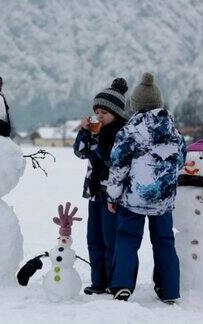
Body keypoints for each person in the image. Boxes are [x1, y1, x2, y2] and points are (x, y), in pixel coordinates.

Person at [107, 72, 186, 304]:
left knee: (127, 239)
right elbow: (180, 160)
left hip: (134, 199)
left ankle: (122, 285)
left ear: (136, 105)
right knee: (164, 242)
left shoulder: (130, 131)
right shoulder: (174, 131)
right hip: (163, 200)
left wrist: (112, 196)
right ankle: (170, 290)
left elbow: (118, 166)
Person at [73, 78, 130, 295]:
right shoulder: (95, 130)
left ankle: (113, 281)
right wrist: (84, 131)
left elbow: (109, 159)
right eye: (97, 111)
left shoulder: (122, 134)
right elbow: (80, 152)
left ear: (115, 113)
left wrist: (96, 140)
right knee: (94, 239)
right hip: (94, 193)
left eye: (104, 112)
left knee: (110, 240)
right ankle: (98, 281)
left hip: (112, 195)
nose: (99, 116)